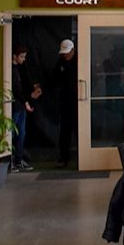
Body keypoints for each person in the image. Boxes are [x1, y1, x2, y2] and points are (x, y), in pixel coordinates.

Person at [10, 46, 40, 172]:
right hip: (16, 106)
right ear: (14, 56)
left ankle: (18, 160)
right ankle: (10, 160)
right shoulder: (11, 70)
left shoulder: (20, 68)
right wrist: (26, 101)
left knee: (21, 134)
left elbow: (21, 87)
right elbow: (15, 90)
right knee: (11, 134)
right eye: (21, 56)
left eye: (24, 56)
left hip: (21, 105)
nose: (24, 59)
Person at [56, 39, 78, 168]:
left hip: (79, 102)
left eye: (67, 53)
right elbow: (54, 78)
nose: (65, 56)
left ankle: (83, 157)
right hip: (65, 101)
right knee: (65, 131)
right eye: (63, 53)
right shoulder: (61, 63)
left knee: (78, 129)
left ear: (73, 51)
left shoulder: (79, 62)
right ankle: (64, 157)